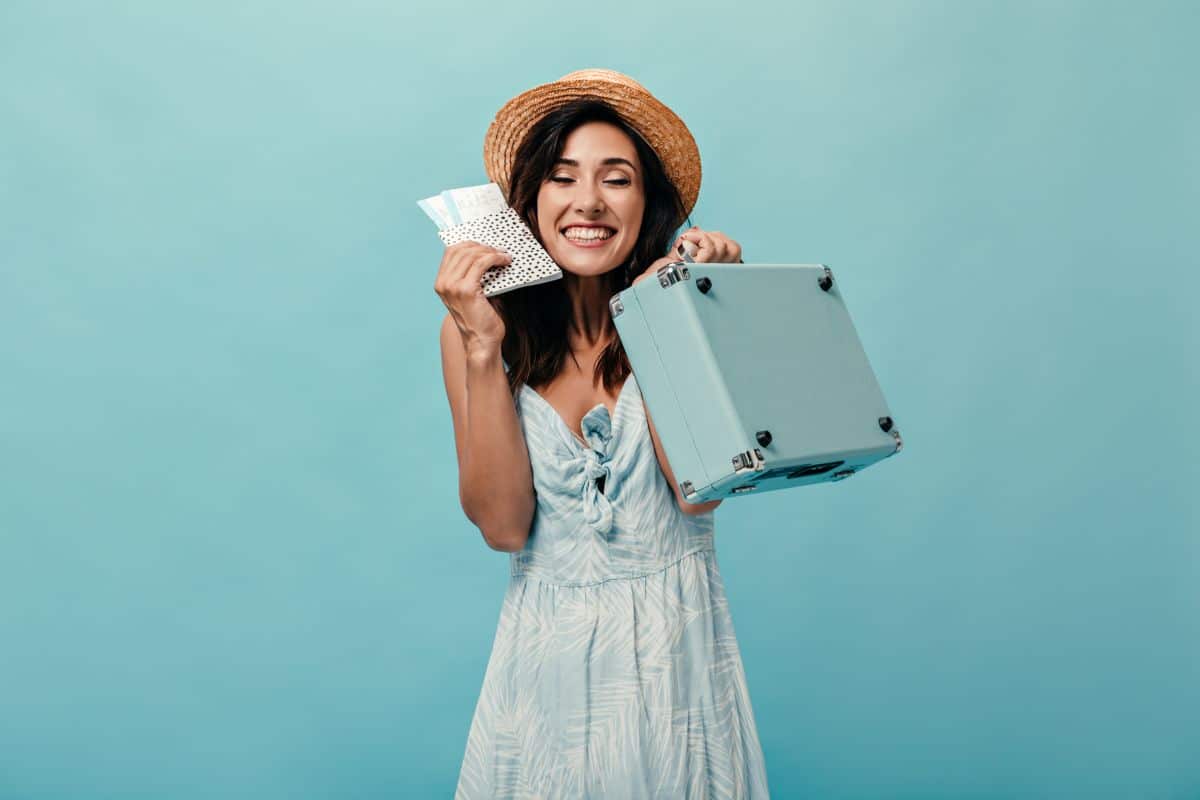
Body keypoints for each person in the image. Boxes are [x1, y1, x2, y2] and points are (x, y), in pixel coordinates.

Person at [435, 69, 770, 799]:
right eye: (562, 178)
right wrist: (483, 346)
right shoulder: (475, 334)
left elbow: (697, 497)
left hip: (676, 660)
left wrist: (681, 316)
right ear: (529, 204)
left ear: (647, 204)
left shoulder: (681, 311)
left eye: (616, 179)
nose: (588, 202)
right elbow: (502, 526)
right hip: (542, 668)